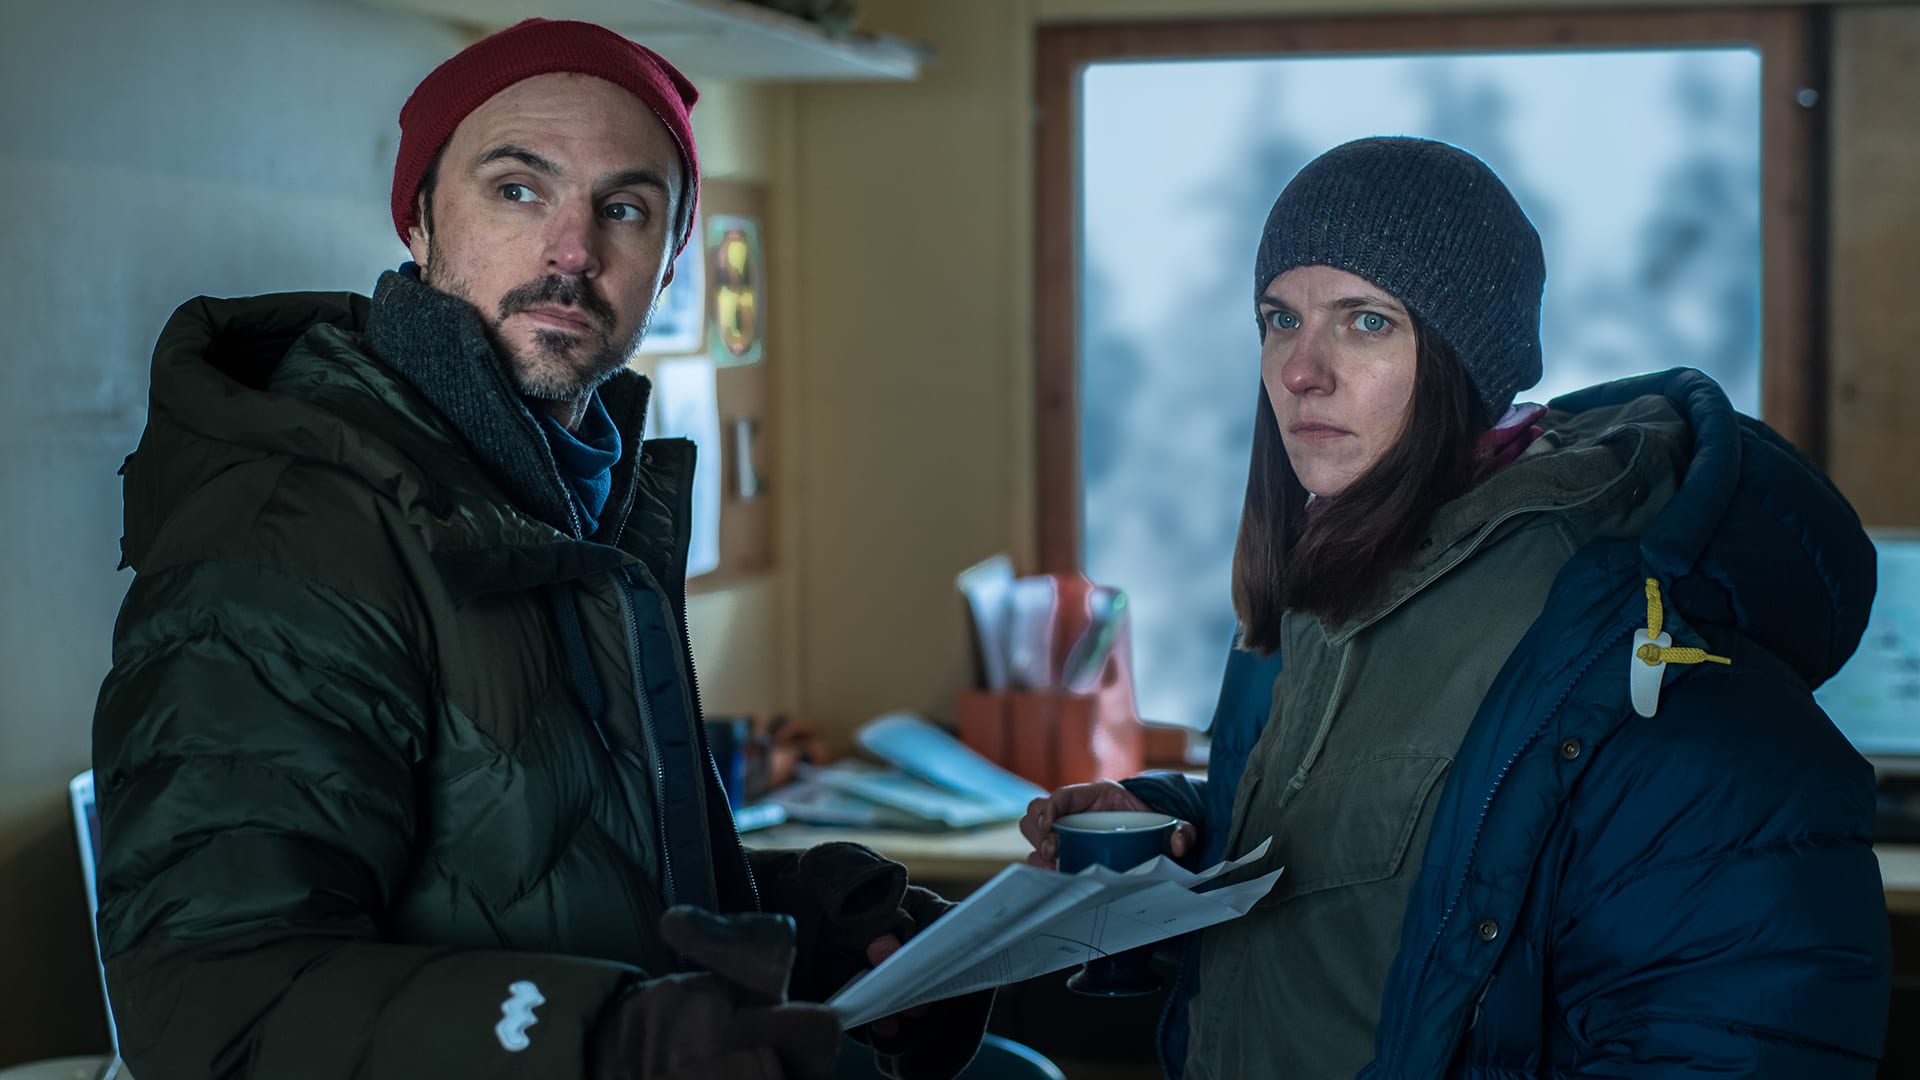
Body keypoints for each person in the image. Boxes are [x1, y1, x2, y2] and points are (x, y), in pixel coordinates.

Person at [91, 19, 986, 1080]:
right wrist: (593, 1035)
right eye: (518, 190)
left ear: (669, 261)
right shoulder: (289, 532)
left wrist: (800, 936)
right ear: (417, 218)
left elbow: (541, 878)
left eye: (625, 208)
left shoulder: (579, 503)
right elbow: (211, 1002)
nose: (572, 252)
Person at [1022, 136, 1891, 1078]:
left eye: (1366, 322)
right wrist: (1168, 828)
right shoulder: (1323, 587)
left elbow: (1723, 1036)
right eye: (1280, 318)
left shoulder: (1621, 636)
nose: (1300, 370)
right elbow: (1378, 853)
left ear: (1466, 358)